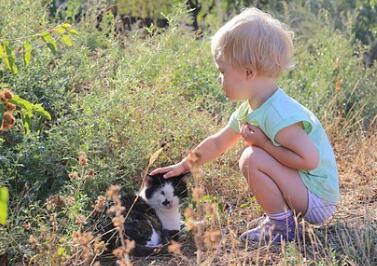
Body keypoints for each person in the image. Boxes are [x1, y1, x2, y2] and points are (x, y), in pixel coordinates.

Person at [150, 7, 340, 245]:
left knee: (252, 157)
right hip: (305, 191)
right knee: (254, 156)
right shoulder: (252, 108)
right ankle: (280, 216)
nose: (219, 78)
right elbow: (218, 142)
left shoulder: (278, 113)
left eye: (222, 70)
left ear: (248, 72)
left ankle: (281, 226)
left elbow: (309, 160)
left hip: (318, 199)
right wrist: (184, 165)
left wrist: (262, 144)